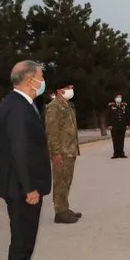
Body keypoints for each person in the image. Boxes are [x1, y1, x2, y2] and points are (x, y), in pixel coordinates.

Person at [0, 60, 53, 260]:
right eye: (41, 77)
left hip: (22, 183)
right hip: (21, 186)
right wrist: (29, 187)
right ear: (30, 80)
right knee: (21, 238)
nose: (42, 82)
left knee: (26, 236)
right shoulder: (17, 107)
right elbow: (18, 151)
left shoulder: (20, 103)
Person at [43, 81, 81, 224]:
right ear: (59, 90)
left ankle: (65, 208)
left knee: (66, 181)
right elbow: (52, 132)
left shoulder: (67, 105)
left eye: (71, 87)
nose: (71, 90)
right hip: (62, 152)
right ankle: (59, 212)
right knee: (60, 182)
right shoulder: (54, 107)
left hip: (70, 150)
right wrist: (55, 153)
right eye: (68, 88)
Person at [107, 94, 128, 158]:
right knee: (115, 139)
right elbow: (108, 115)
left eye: (120, 97)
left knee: (121, 140)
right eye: (118, 97)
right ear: (115, 98)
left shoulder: (124, 105)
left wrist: (127, 124)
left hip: (122, 125)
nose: (119, 98)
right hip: (114, 126)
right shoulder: (111, 106)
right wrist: (109, 124)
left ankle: (121, 153)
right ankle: (116, 153)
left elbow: (127, 115)